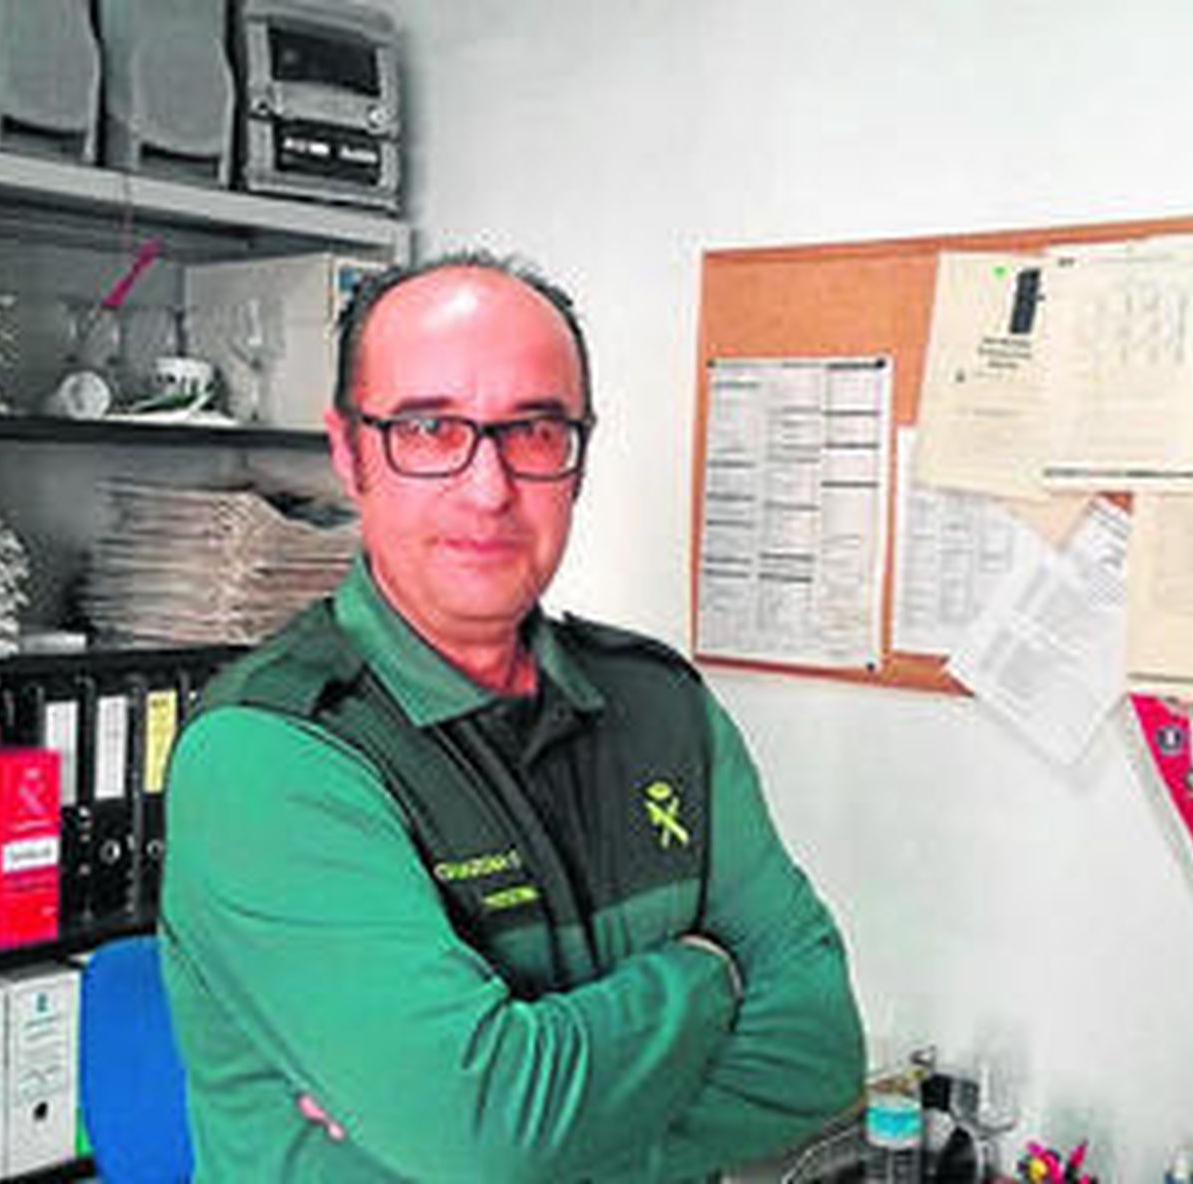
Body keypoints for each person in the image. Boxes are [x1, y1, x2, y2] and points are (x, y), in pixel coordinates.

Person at [160, 251, 865, 1182]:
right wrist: (709, 973)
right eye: (428, 429)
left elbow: (819, 1054)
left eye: (533, 431)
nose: (487, 488)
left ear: (578, 458)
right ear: (350, 453)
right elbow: (487, 1133)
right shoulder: (267, 753)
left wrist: (537, 1126)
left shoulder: (664, 709)